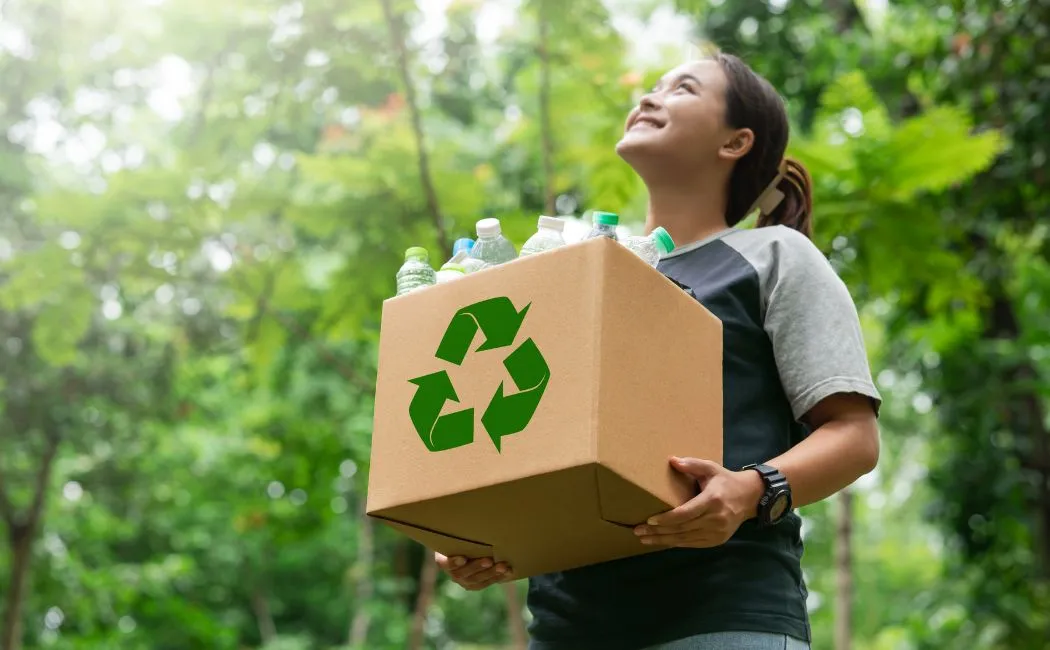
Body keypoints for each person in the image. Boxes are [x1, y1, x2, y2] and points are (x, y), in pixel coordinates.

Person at [435, 51, 882, 650]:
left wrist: (751, 490)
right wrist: (482, 532)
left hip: (722, 614)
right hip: (568, 628)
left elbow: (854, 436)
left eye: (682, 89)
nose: (647, 98)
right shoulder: (578, 275)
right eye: (649, 89)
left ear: (735, 142)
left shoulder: (772, 256)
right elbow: (530, 438)